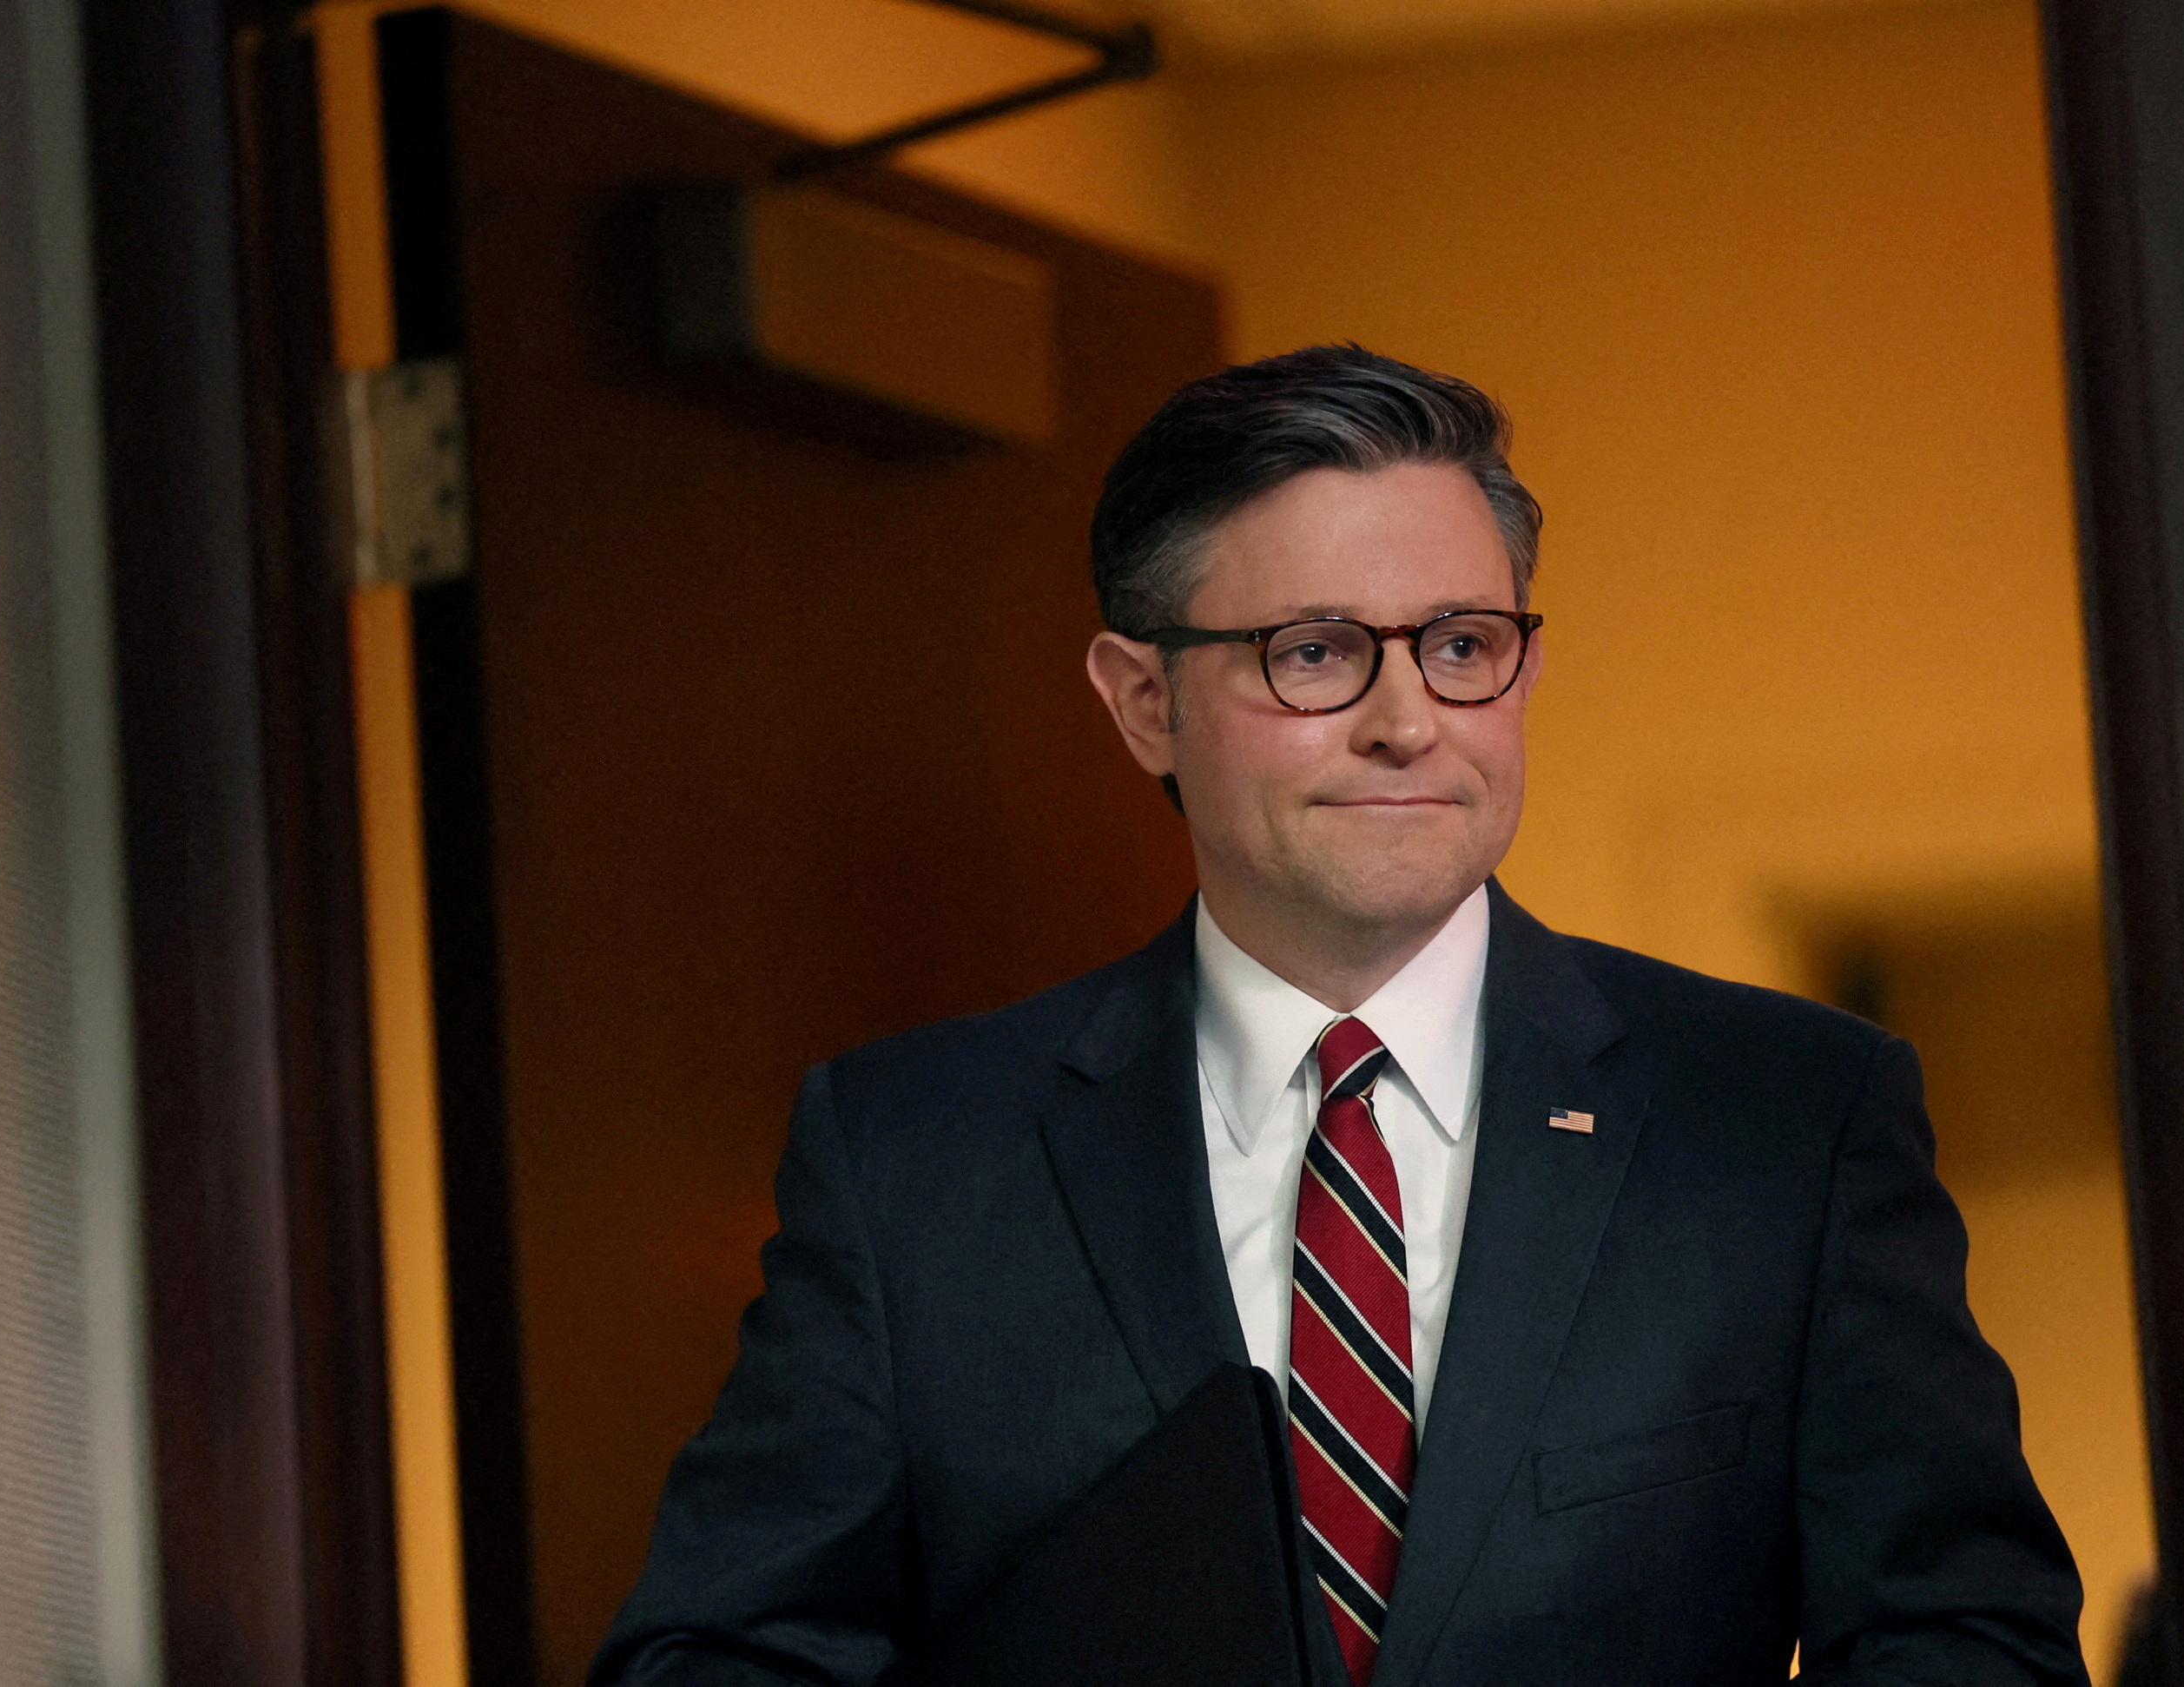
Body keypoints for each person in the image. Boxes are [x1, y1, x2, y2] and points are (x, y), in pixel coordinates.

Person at [589, 346, 2088, 1686]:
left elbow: (1968, 1637)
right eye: (1313, 653)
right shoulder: (911, 1154)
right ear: (1142, 701)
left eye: (1461, 646)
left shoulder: (1782, 1119)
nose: (1407, 721)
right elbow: (719, 1653)